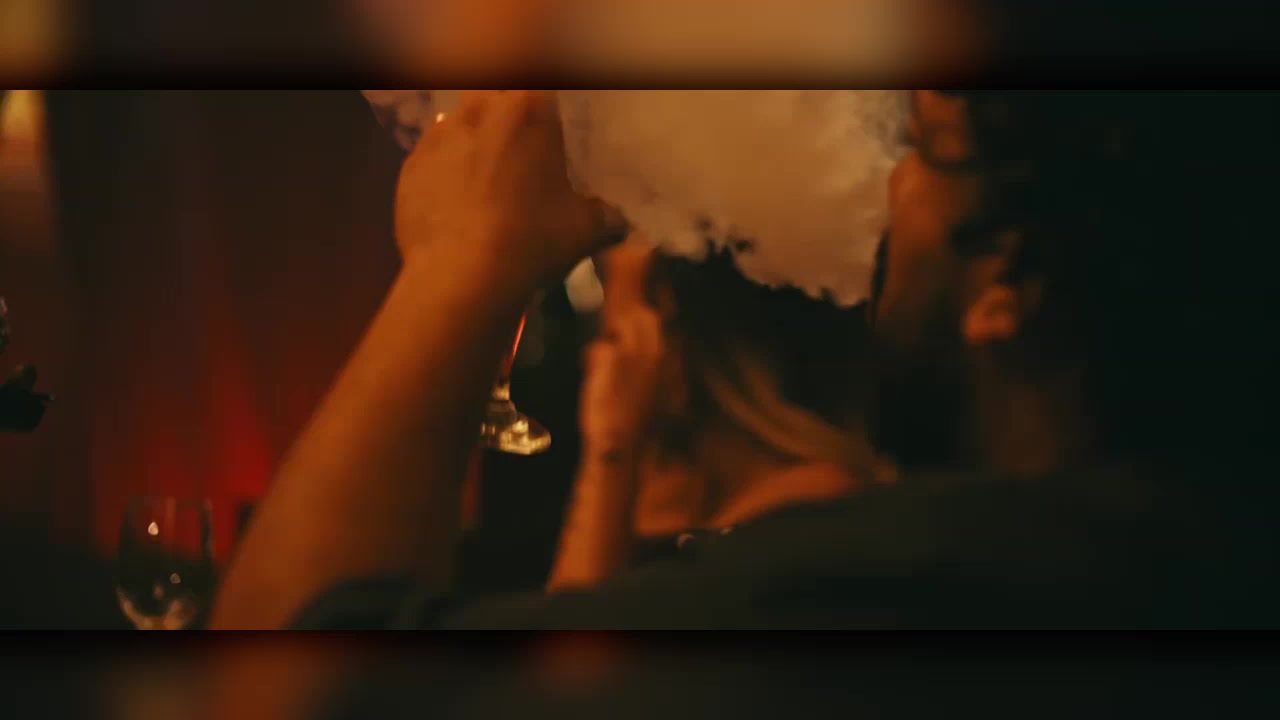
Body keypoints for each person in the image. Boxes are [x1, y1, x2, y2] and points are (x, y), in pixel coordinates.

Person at [548, 239, 881, 591]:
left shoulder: (801, 509)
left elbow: (571, 625)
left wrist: (610, 447)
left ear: (671, 340)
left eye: (613, 339)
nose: (595, 359)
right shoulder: (664, 503)